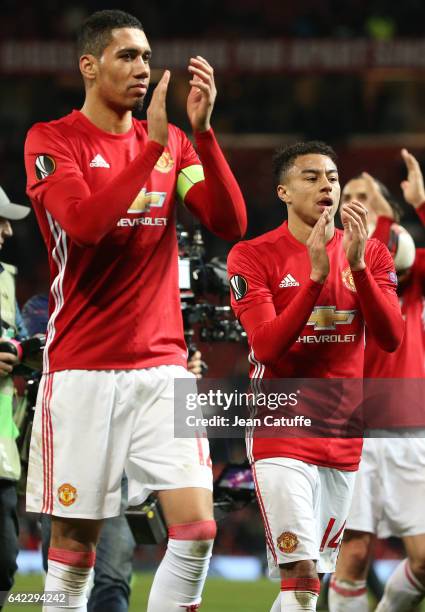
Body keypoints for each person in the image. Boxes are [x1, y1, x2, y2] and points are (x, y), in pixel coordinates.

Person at [23, 9, 246, 612]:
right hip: (82, 370)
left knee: (197, 530)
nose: (143, 68)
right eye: (127, 56)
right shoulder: (52, 140)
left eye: (147, 56)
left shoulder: (172, 142)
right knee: (75, 544)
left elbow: (230, 222)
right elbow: (87, 225)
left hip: (162, 368)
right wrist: (148, 152)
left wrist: (200, 134)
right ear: (89, 66)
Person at [227, 141, 404, 612]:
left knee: (308, 585)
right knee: (300, 571)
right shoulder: (252, 256)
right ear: (283, 191)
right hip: (281, 430)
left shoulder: (371, 254)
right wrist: (313, 280)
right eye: (311, 177)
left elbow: (390, 338)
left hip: (344, 436)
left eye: (331, 176)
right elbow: (266, 346)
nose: (326, 184)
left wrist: (361, 268)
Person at [329, 150, 425, 612]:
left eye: (364, 196)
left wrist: (419, 206)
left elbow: (391, 251)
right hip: (352, 429)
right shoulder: (327, 262)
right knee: (354, 554)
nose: (352, 201)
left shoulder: (415, 265)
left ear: (388, 210)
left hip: (410, 428)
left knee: (424, 562)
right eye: (346, 194)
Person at [0, 186, 31, 609]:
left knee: (5, 560)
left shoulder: (5, 279)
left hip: (1, 450)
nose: (7, 230)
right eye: (0, 220)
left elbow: (21, 344)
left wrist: (23, 352)